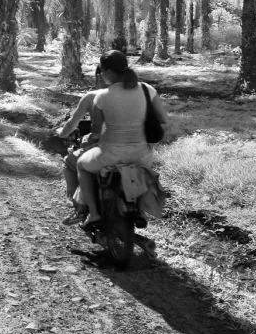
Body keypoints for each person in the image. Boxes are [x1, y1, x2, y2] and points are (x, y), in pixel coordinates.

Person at [54, 49, 170, 228]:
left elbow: (97, 132)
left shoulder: (102, 96)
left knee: (82, 166)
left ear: (107, 72)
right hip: (142, 154)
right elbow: (164, 120)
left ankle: (93, 214)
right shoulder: (148, 90)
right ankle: (138, 211)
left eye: (101, 72)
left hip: (111, 154)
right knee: (141, 170)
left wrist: (83, 136)